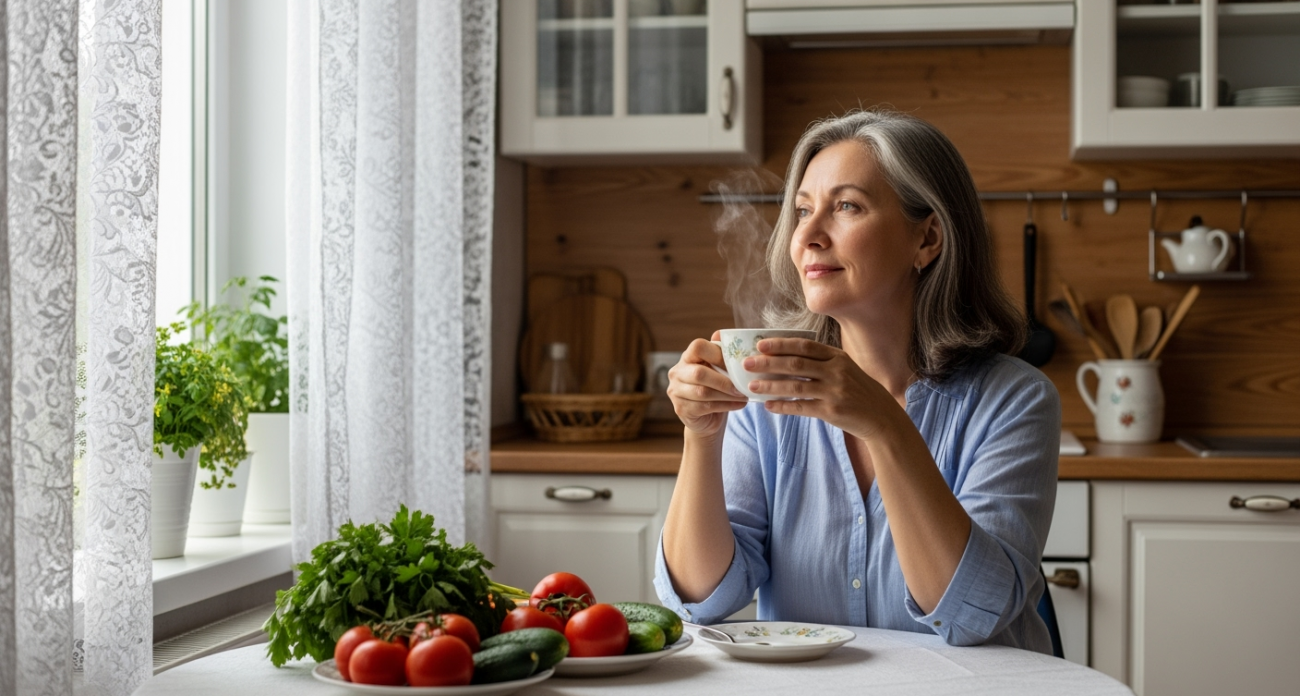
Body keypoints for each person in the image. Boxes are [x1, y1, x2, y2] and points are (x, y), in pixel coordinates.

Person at [655, 110, 1060, 653]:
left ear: (928, 238)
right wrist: (702, 435)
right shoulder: (763, 398)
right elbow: (699, 599)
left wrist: (886, 426)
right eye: (802, 211)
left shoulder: (1014, 400)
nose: (809, 236)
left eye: (846, 206)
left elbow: (973, 614)